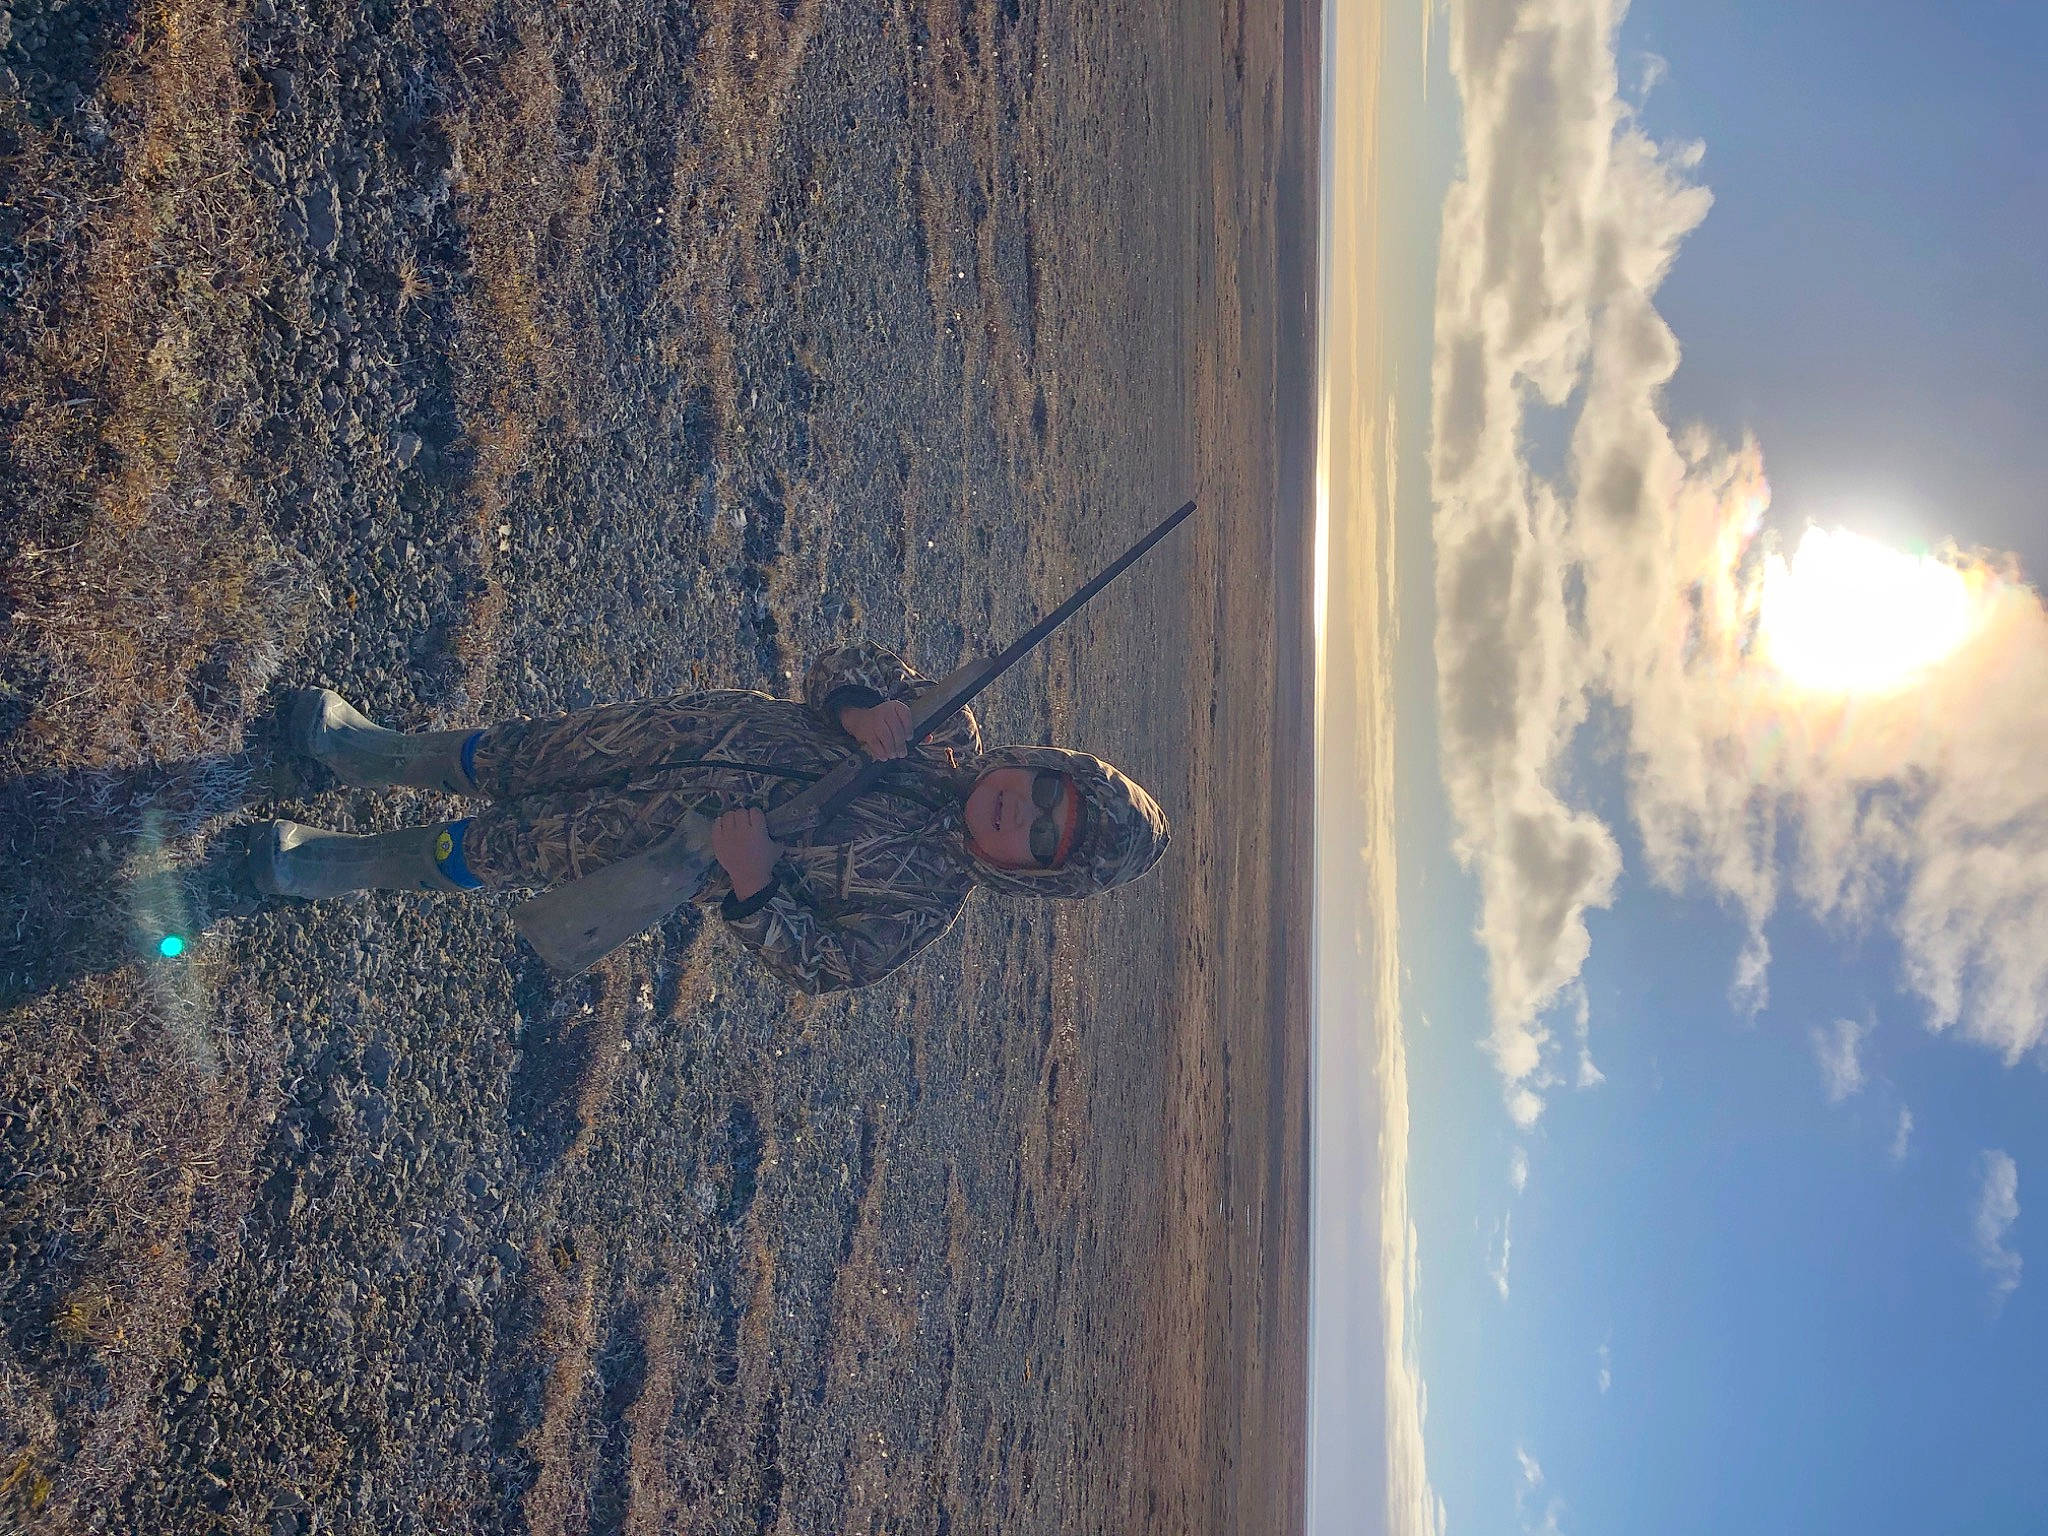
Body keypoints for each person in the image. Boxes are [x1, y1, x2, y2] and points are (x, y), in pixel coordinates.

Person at [246, 644, 1169, 993]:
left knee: (502, 846)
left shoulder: (922, 902)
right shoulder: (938, 722)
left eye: (1043, 838)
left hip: (649, 846)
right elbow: (837, 662)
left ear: (1032, 873)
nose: (1026, 811)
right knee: (519, 752)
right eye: (1049, 791)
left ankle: (334, 864)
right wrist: (854, 706)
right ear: (1041, 762)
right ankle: (370, 752)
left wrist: (755, 885)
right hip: (661, 736)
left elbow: (827, 967)